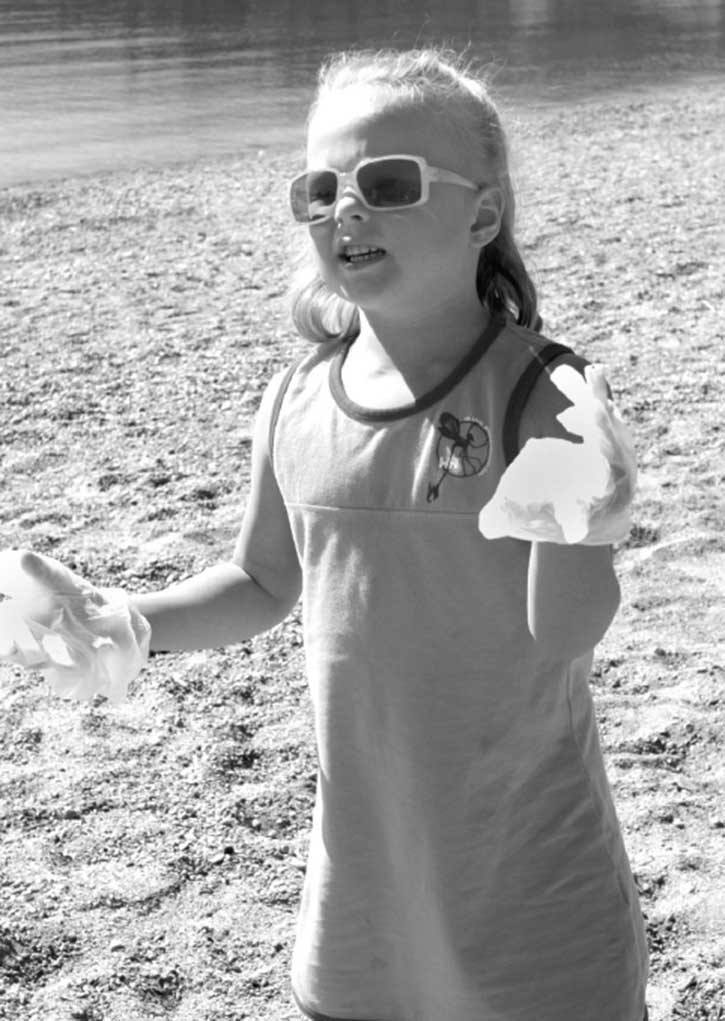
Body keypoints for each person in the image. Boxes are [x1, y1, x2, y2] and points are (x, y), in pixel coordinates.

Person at [0, 47, 647, 1021]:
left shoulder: (533, 397)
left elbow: (563, 632)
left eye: (388, 184)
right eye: (320, 188)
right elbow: (261, 582)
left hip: (528, 892)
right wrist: (131, 620)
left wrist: (578, 520)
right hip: (361, 885)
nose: (346, 209)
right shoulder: (298, 396)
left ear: (480, 215)